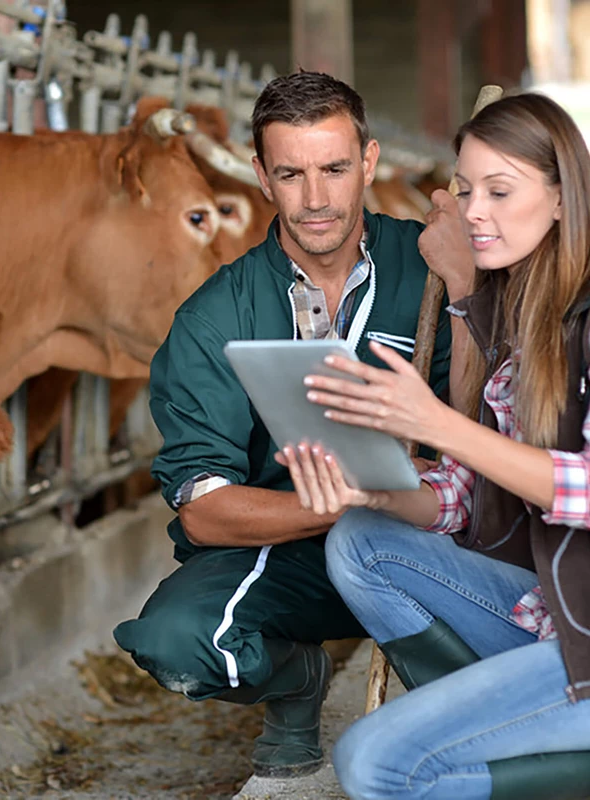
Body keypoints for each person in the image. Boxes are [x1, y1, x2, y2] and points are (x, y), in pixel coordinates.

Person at [113, 70, 465, 782]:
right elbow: (207, 513)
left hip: (431, 537)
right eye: (291, 173)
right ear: (260, 176)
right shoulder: (216, 316)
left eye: (335, 169)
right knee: (177, 640)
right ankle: (295, 679)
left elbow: (510, 411)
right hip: (293, 545)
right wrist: (337, 503)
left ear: (368, 162)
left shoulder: (433, 264)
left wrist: (469, 288)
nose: (316, 198)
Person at [284, 91, 590, 800]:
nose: (473, 211)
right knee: (363, 539)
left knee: (374, 762)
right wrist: (373, 485)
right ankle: (489, 722)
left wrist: (435, 422)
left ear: (560, 198)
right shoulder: (524, 308)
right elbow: (467, 491)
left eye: (499, 190)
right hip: (556, 614)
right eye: (465, 188)